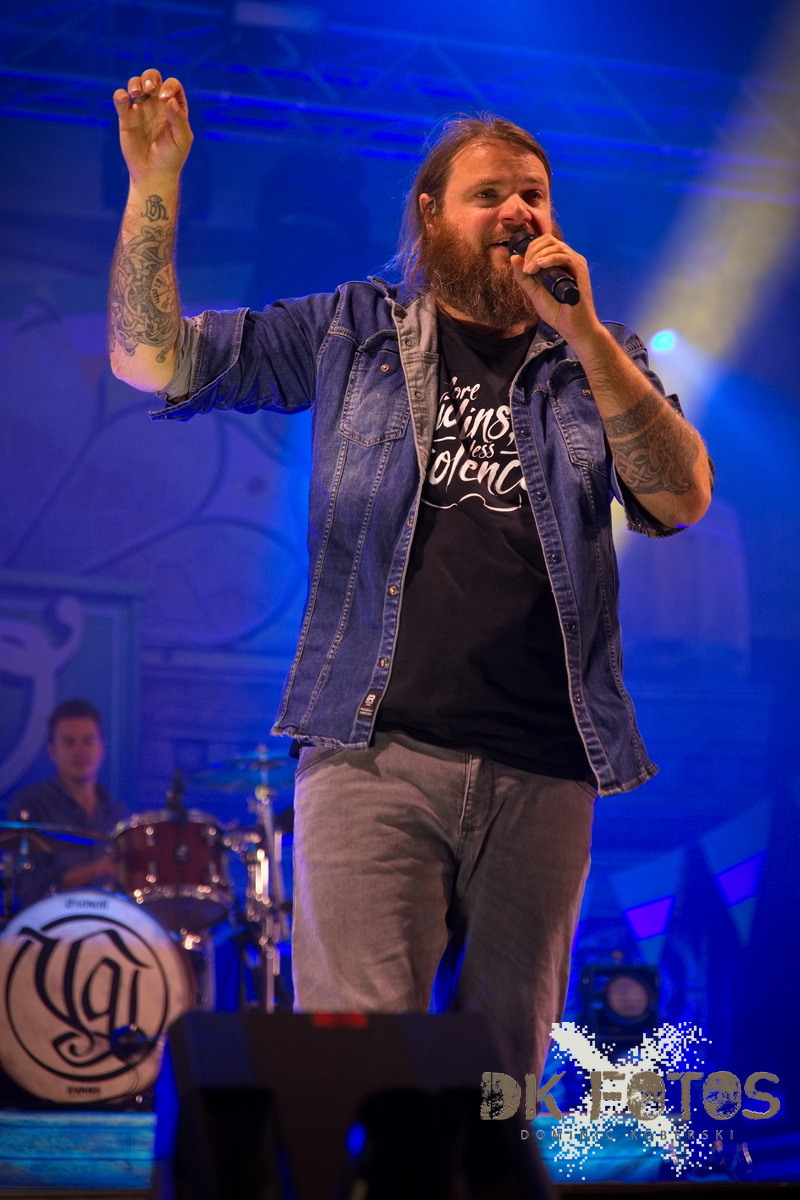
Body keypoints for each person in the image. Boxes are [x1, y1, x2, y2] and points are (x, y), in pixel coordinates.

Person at [108, 71, 712, 1079]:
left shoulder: (599, 359)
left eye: (534, 195)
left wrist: (585, 335)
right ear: (430, 214)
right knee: (357, 1076)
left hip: (545, 769)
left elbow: (681, 497)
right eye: (489, 194)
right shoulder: (353, 330)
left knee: (500, 1090)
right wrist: (154, 183)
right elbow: (149, 358)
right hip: (373, 759)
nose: (517, 211)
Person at [8, 700, 126, 908]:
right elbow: (28, 888)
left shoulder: (117, 812)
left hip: (109, 920)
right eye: (69, 743)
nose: (80, 751)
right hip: (52, 922)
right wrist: (96, 868)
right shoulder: (31, 803)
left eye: (88, 741)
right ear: (53, 751)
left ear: (102, 749)